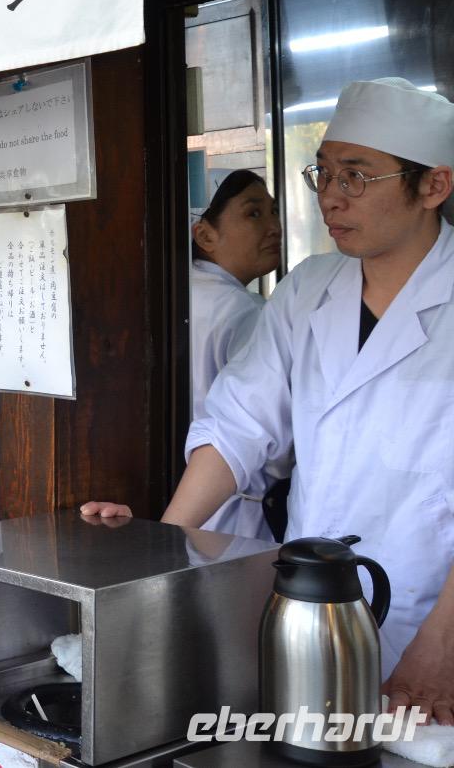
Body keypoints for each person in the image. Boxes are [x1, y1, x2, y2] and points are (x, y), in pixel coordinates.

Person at [84, 78, 454, 724]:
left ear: (432, 187)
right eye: (326, 173)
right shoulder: (309, 290)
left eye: (358, 177)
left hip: (432, 615)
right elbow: (237, 427)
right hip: (313, 611)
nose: (331, 197)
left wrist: (443, 644)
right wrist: (164, 558)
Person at [188, 170, 284, 539]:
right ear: (206, 234)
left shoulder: (180, 294)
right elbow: (273, 443)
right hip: (233, 510)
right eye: (253, 213)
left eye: (273, 212)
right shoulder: (245, 311)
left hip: (186, 501)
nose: (273, 226)